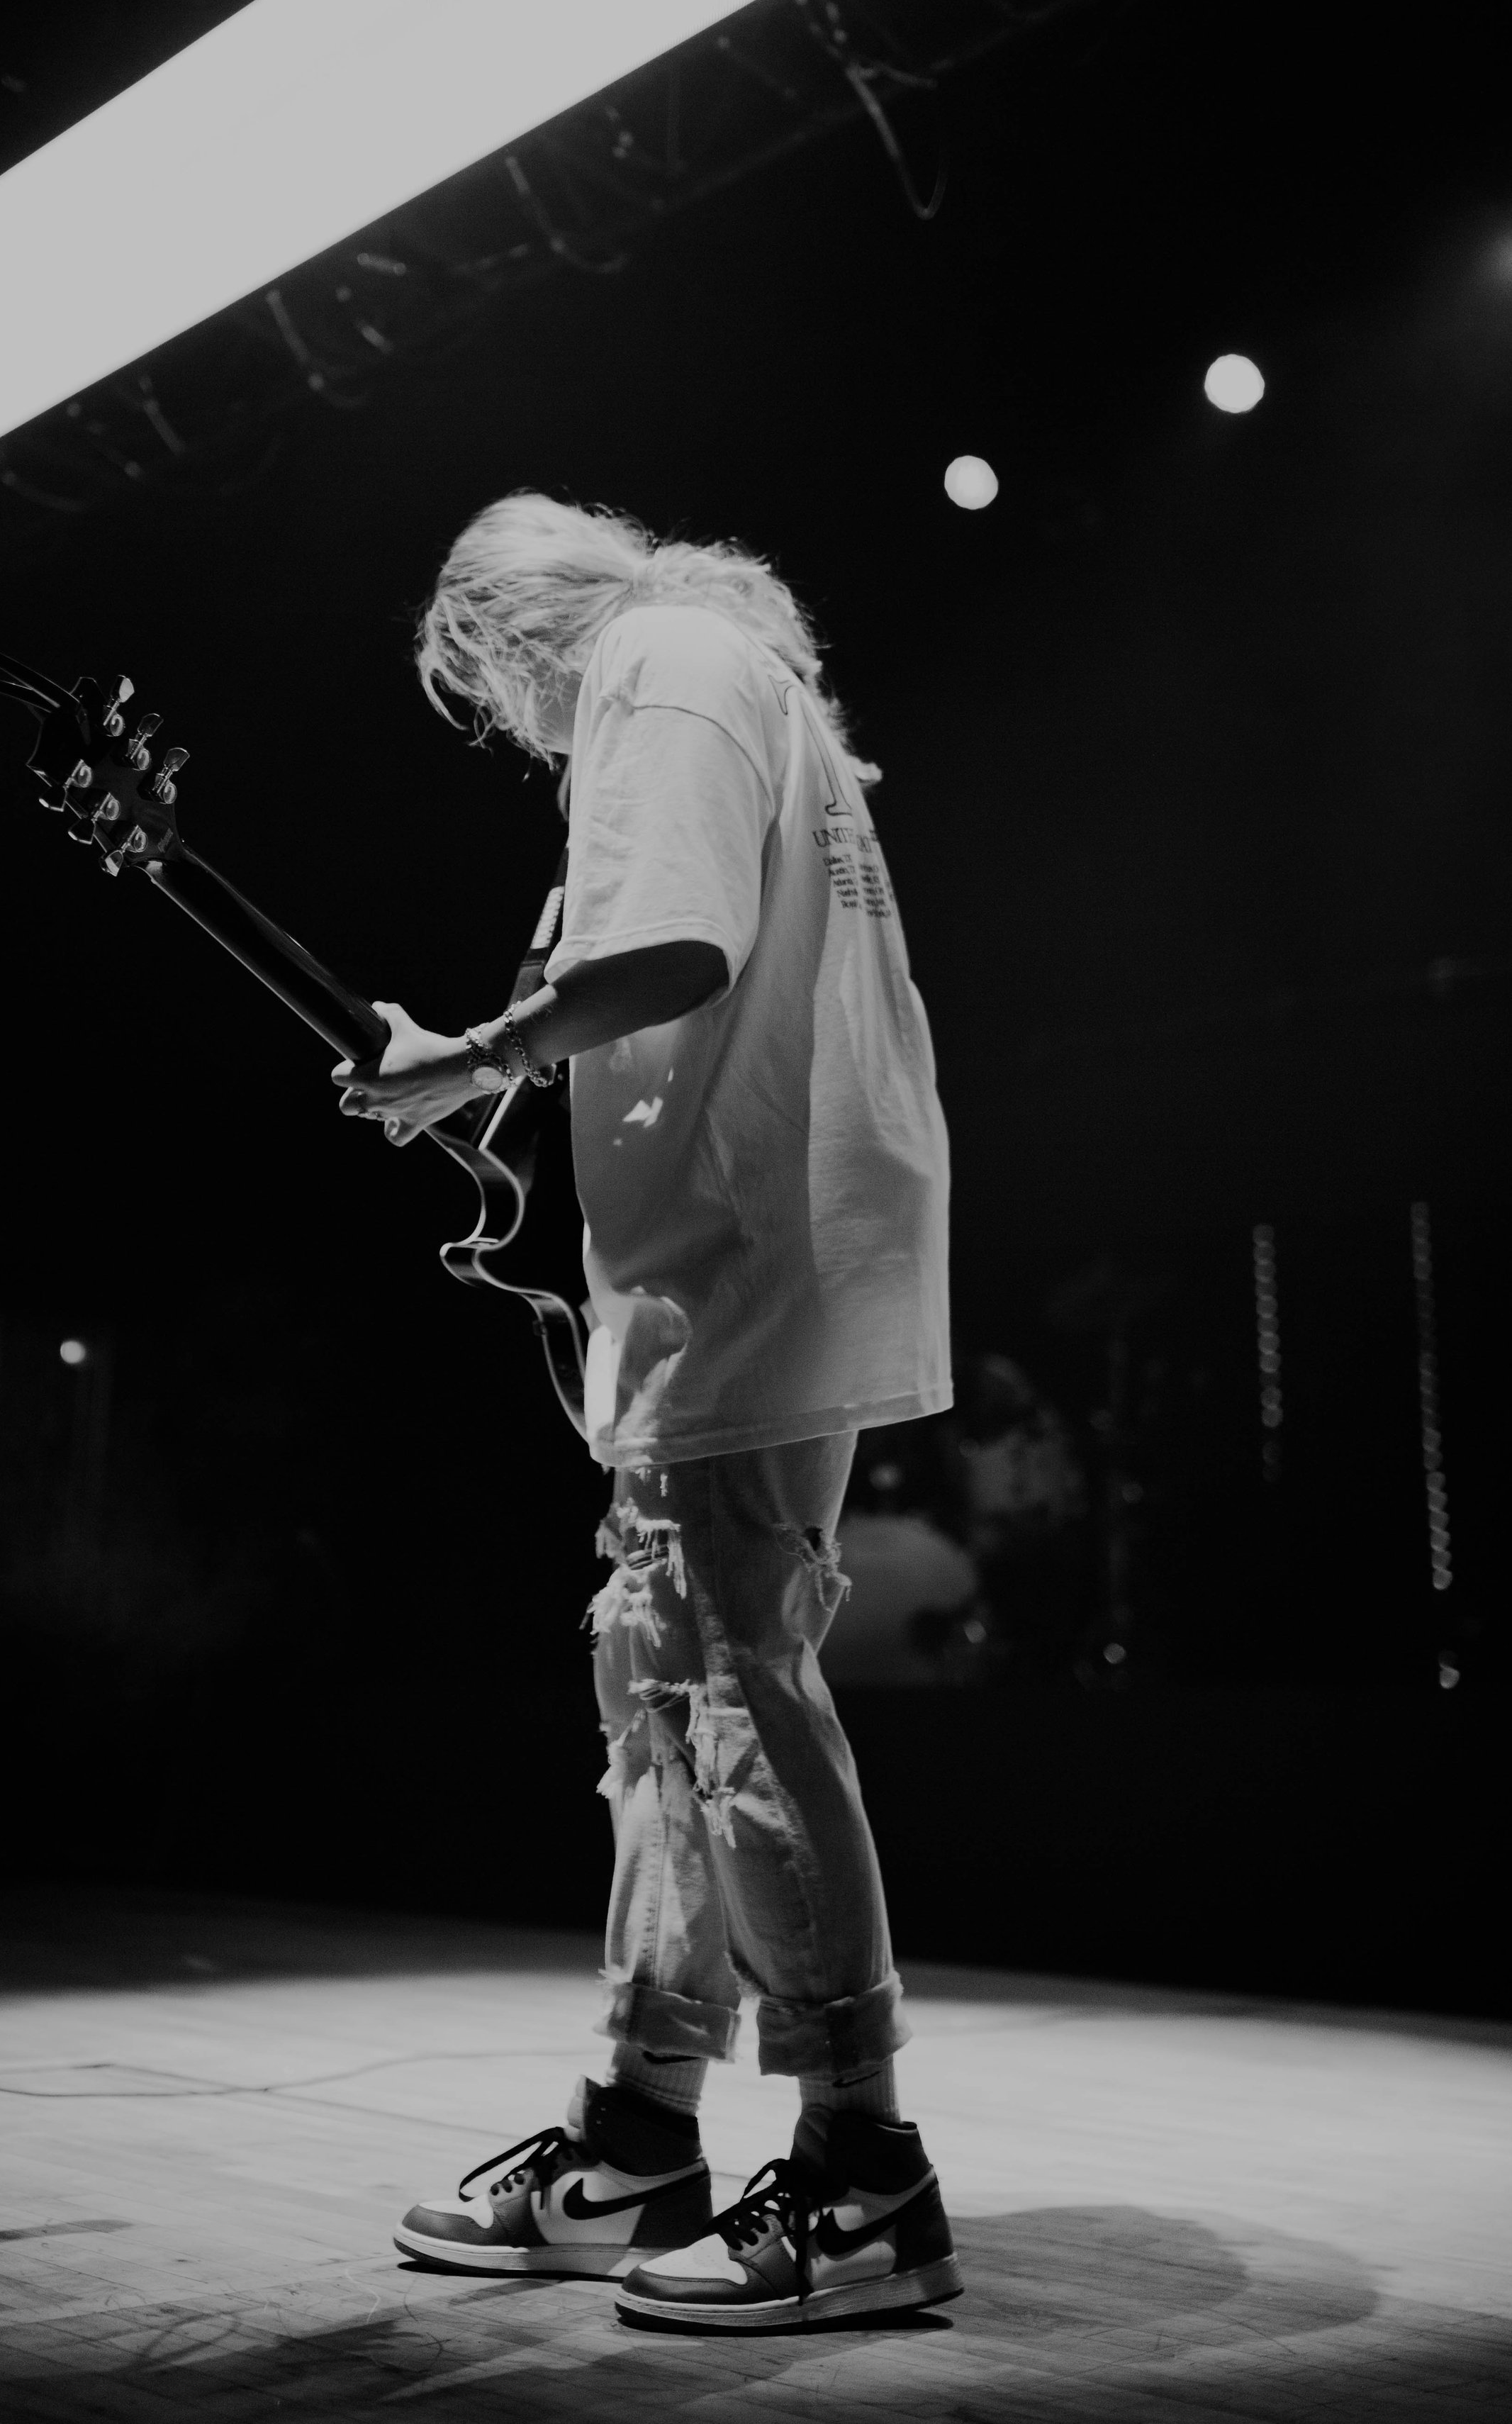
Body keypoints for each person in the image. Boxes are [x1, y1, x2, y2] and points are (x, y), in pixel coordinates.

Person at [333, 494, 956, 2331]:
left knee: (727, 1694)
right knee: (670, 1695)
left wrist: (477, 1051)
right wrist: (500, 1075)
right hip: (733, 1253)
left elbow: (671, 952)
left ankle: (861, 2171)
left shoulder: (656, 670)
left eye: (490, 710)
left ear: (499, 644)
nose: (517, 748)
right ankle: (639, 2131)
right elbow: (666, 989)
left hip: (756, 1251)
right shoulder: (728, 672)